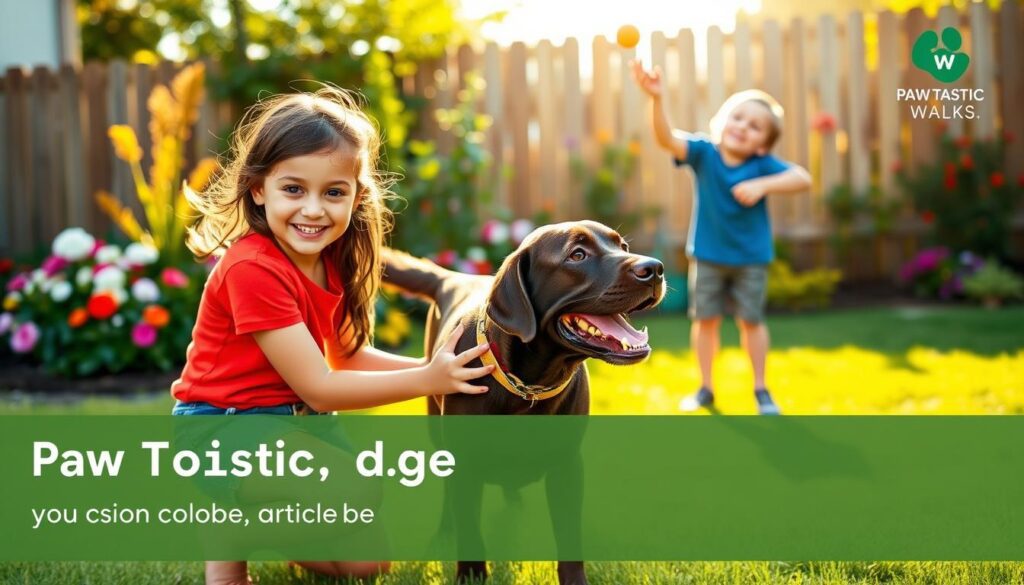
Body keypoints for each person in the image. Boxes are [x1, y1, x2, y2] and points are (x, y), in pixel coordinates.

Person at [170, 86, 494, 585]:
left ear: (357, 196)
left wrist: (442, 372)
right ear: (258, 189)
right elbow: (319, 386)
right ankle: (229, 537)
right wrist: (428, 380)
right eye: (293, 189)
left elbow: (348, 358)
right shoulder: (252, 268)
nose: (314, 210)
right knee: (357, 491)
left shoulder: (333, 260)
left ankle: (262, 522)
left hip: (299, 424)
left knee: (366, 565)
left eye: (334, 193)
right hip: (222, 428)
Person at [630, 61, 812, 415]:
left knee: (752, 322)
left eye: (755, 126)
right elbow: (667, 139)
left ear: (763, 146)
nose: (743, 127)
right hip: (708, 256)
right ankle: (705, 388)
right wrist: (657, 99)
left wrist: (763, 185)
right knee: (705, 322)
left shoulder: (762, 166)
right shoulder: (704, 153)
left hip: (751, 259)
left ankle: (761, 389)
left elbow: (803, 178)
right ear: (721, 122)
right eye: (738, 118)